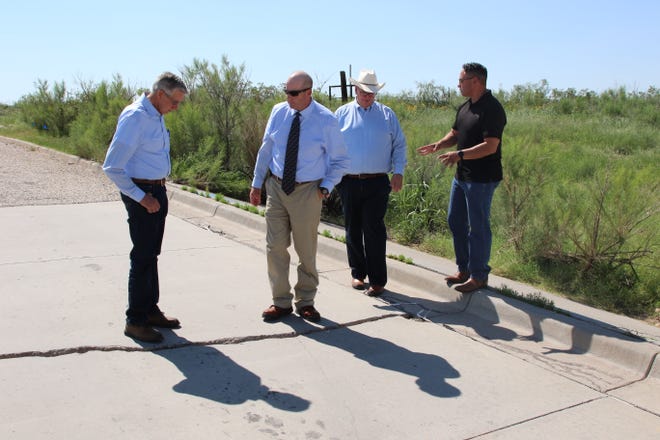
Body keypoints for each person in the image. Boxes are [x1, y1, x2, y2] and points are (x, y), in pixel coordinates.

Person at [249, 71, 349, 323]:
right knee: (275, 246)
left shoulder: (325, 120)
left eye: (293, 93)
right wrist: (257, 183)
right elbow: (266, 148)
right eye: (286, 92)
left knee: (306, 250)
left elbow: (339, 160)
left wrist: (326, 187)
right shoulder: (278, 112)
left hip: (307, 190)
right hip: (276, 187)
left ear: (308, 93)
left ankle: (305, 301)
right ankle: (280, 302)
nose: (288, 97)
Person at [103, 72, 188, 342]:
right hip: (143, 193)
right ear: (160, 94)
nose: (176, 108)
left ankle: (150, 310)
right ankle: (135, 321)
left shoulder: (156, 115)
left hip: (156, 190)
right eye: (174, 102)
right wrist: (141, 197)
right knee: (141, 257)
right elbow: (112, 167)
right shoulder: (136, 117)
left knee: (151, 254)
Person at [417, 62, 506, 293]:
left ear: (475, 81)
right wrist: (440, 144)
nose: (458, 85)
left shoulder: (492, 109)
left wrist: (459, 155)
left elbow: (490, 146)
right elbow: (456, 133)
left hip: (482, 179)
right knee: (455, 221)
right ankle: (464, 269)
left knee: (478, 226)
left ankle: (479, 276)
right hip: (462, 176)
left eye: (461, 81)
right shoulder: (465, 107)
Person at [334, 69, 407, 297]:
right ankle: (358, 273)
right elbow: (331, 147)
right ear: (356, 90)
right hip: (349, 181)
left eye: (372, 93)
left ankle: (377, 281)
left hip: (377, 182)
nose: (368, 96)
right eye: (365, 92)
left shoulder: (387, 115)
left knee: (373, 229)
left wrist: (399, 172)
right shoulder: (342, 114)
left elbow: (400, 145)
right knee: (353, 228)